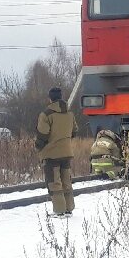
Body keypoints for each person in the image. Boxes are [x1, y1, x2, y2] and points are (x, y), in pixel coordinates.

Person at [35, 87, 78, 218]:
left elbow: (43, 135)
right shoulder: (69, 113)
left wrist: (38, 147)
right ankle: (69, 209)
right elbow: (74, 131)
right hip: (66, 152)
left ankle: (59, 211)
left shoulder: (46, 114)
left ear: (50, 98)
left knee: (54, 181)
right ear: (61, 97)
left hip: (51, 153)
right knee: (66, 180)